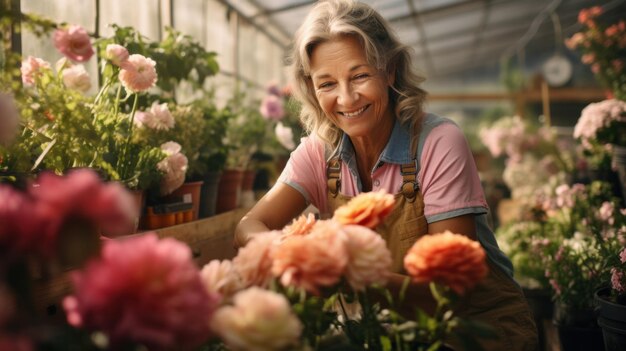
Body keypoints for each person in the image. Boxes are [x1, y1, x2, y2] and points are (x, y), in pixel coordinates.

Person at [235, 0, 538, 349]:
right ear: (310, 87)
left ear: (390, 70)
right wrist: (289, 251)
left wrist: (341, 274)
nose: (346, 99)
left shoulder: (437, 142)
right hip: (385, 331)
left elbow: (445, 293)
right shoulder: (319, 152)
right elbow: (247, 227)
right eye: (327, 83)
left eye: (360, 75)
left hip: (471, 330)